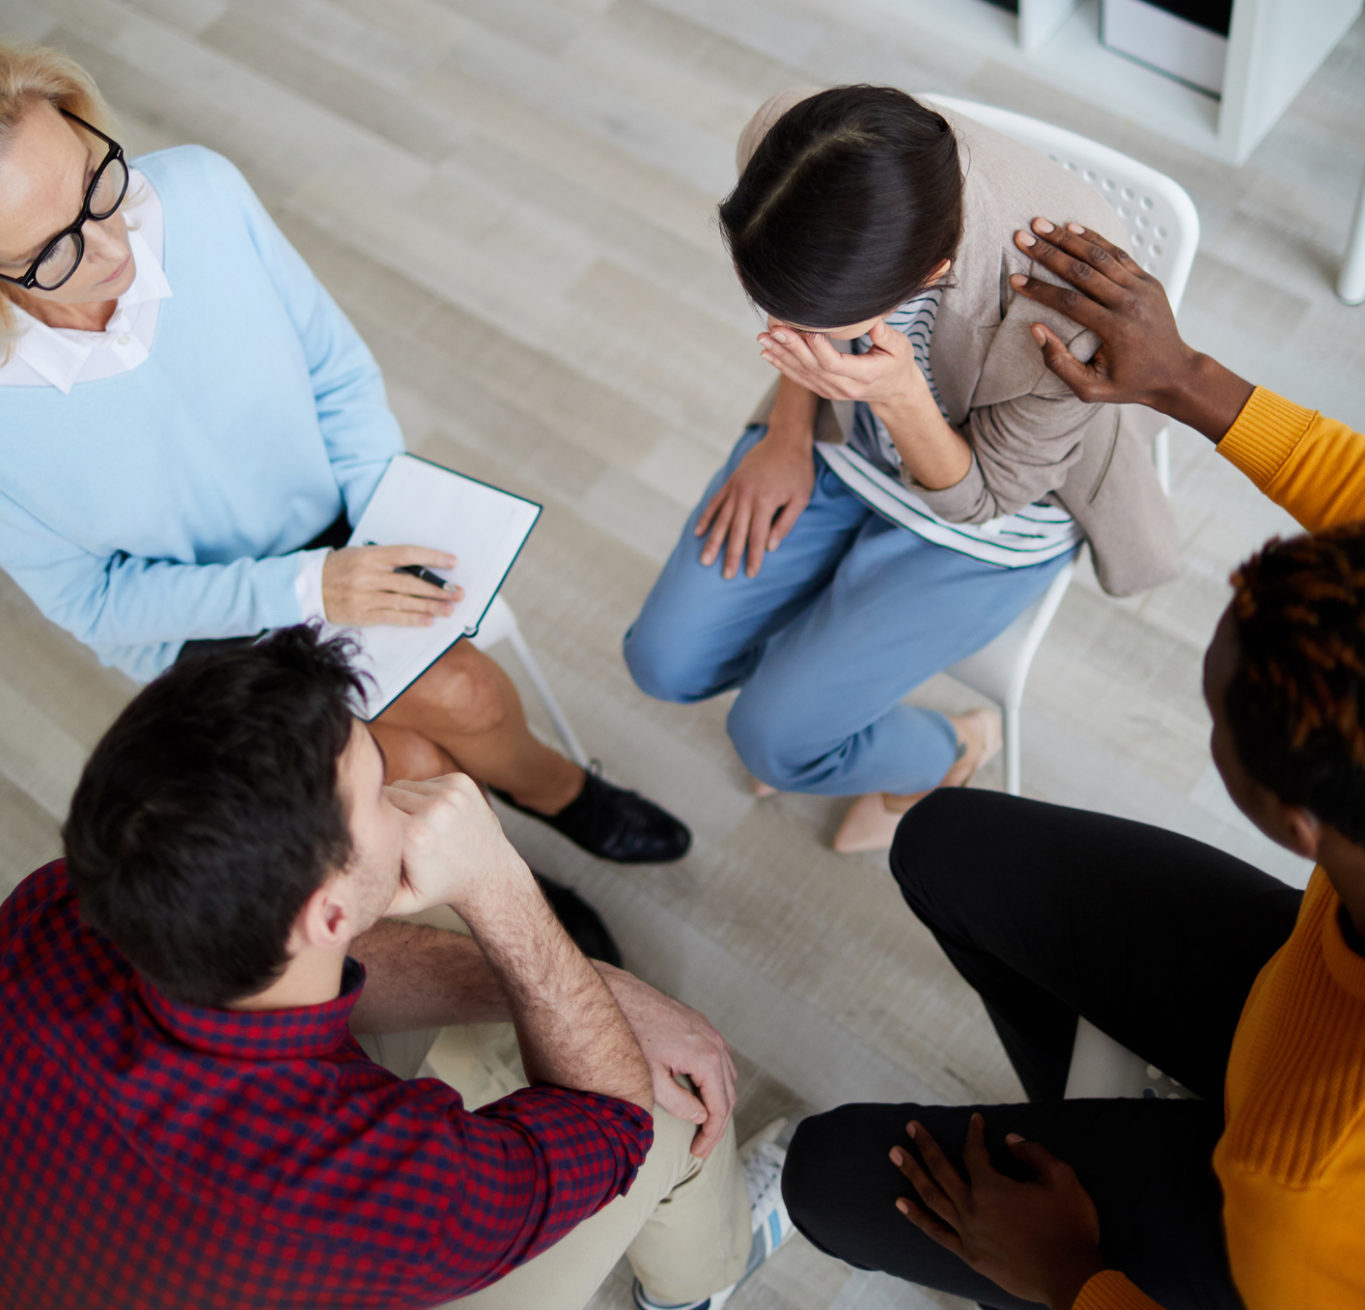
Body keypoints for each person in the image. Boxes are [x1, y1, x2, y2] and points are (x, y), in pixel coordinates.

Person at [779, 220, 1365, 1309]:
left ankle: (1121, 1176)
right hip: (1302, 978)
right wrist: (1182, 378)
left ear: (1295, 821)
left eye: (1217, 723)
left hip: (1256, 1234)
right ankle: (1088, 1123)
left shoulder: (1306, 1195)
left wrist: (1079, 1276)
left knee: (825, 1172)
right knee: (942, 841)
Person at [0, 42, 688, 868]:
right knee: (409, 769)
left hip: (343, 526)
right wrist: (307, 588)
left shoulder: (200, 193)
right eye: (53, 251)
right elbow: (94, 603)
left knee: (461, 693)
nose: (115, 248)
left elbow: (337, 373)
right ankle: (508, 882)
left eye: (96, 184)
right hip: (205, 628)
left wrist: (377, 520)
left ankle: (555, 794)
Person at [0, 624, 794, 1310]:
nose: (427, 792)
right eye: (383, 787)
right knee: (668, 1110)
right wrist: (502, 888)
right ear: (329, 917)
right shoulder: (367, 1194)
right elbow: (611, 1125)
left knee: (456, 930)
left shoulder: (59, 899)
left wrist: (596, 985)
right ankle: (700, 1279)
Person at [623, 85, 1177, 853]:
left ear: (931, 273)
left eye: (820, 322)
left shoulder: (1066, 313)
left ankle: (951, 749)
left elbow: (985, 496)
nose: (783, 330)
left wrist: (898, 395)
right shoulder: (796, 143)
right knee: (662, 663)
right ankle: (814, 685)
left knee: (774, 741)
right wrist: (785, 434)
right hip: (841, 427)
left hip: (996, 500)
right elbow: (800, 307)